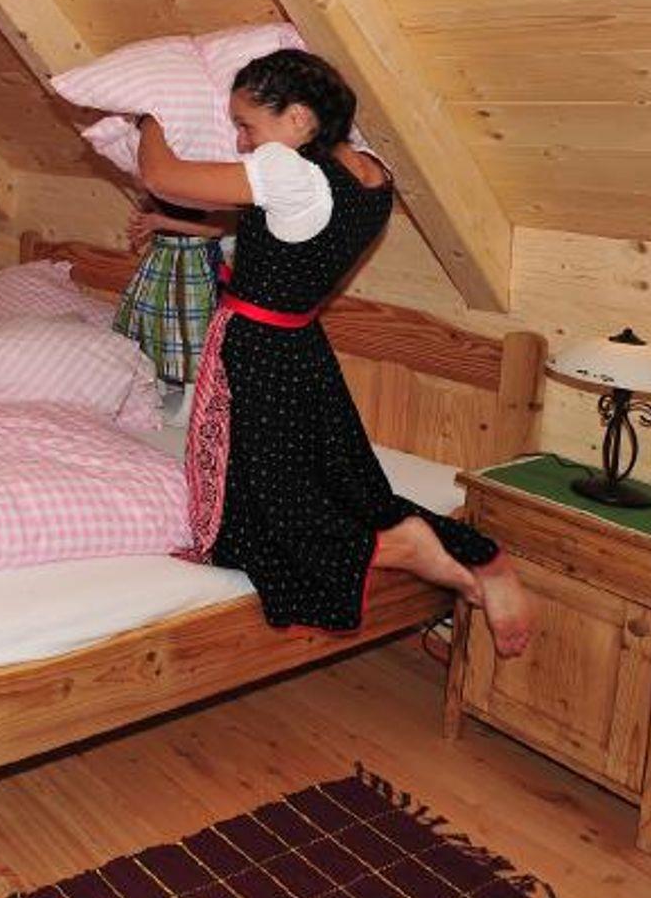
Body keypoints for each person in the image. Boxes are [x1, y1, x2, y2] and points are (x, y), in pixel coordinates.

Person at [134, 50, 533, 656]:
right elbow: (278, 231)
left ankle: (398, 547)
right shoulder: (371, 174)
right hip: (302, 344)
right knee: (353, 488)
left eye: (247, 126)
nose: (242, 142)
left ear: (298, 119)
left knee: (257, 520)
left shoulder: (288, 172)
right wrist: (185, 227)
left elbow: (163, 176)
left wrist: (148, 114)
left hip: (257, 351)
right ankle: (486, 559)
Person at [116, 197, 233, 395]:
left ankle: (191, 395)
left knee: (192, 328)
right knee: (151, 318)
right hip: (162, 253)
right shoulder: (161, 184)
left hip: (192, 258)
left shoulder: (203, 189)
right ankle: (158, 379)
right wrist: (146, 220)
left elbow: (216, 230)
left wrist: (161, 222)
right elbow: (152, 210)